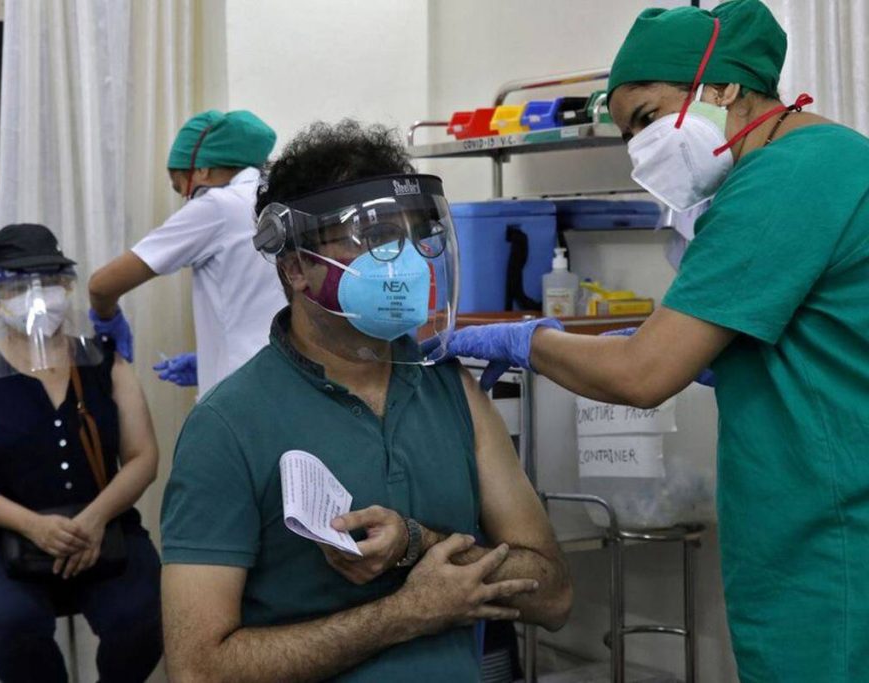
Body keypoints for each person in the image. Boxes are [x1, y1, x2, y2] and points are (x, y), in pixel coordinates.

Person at [444, 1, 869, 681]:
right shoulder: (830, 158)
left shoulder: (783, 180)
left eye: (647, 118)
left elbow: (641, 375)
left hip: (833, 535)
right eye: (628, 133)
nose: (641, 147)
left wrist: (526, 340)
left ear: (722, 87)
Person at [160, 120, 572, 682]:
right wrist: (403, 615)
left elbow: (553, 596)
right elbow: (197, 670)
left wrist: (417, 543)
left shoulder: (452, 391)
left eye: (414, 235)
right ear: (296, 266)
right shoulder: (228, 425)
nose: (404, 261)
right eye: (376, 237)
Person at [0, 224, 163, 682]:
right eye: (19, 287)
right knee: (11, 623)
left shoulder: (104, 362)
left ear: (68, 287)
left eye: (49, 282)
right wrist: (33, 525)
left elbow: (142, 456)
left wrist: (94, 519)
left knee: (144, 618)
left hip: (102, 527)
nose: (38, 298)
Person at [88, 109, 284, 396]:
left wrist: (107, 319)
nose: (184, 197)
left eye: (180, 185)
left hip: (242, 393)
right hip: (284, 378)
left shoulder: (218, 206)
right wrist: (211, 357)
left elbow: (101, 285)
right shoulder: (277, 199)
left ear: (202, 170)